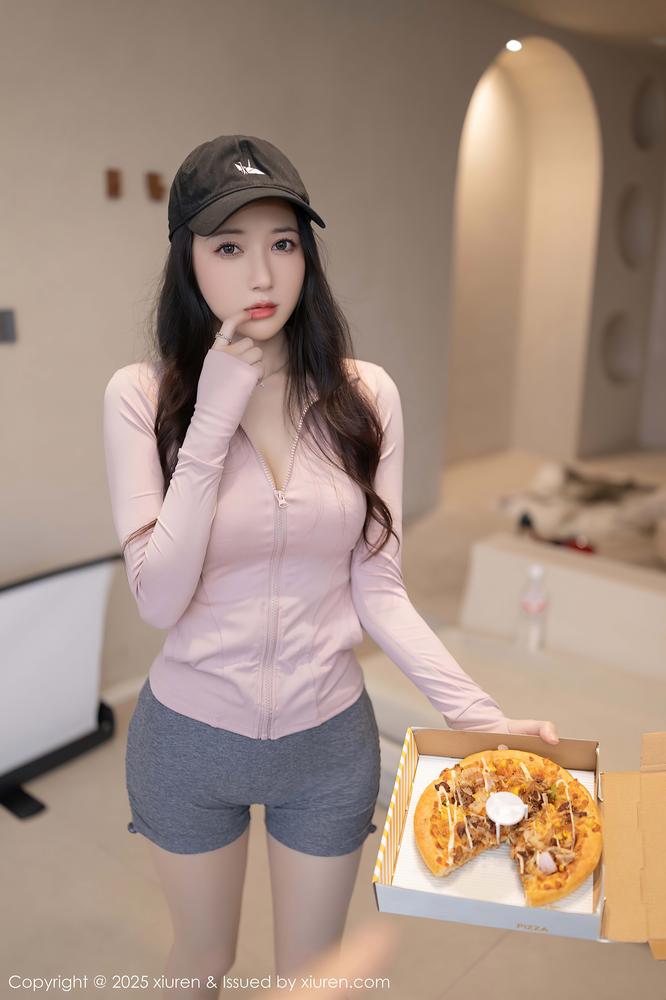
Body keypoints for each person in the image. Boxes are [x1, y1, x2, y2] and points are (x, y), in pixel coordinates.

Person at [103, 134, 559, 999]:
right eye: (228, 247)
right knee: (202, 962)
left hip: (327, 742)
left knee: (310, 980)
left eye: (283, 242)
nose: (262, 275)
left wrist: (480, 719)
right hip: (188, 740)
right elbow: (158, 598)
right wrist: (214, 415)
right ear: (187, 260)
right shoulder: (140, 395)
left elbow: (379, 588)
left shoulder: (366, 395)